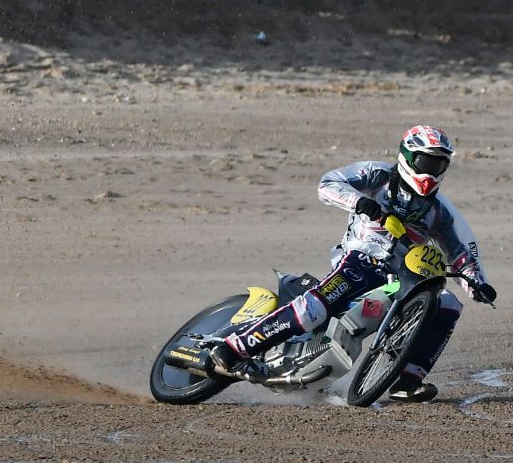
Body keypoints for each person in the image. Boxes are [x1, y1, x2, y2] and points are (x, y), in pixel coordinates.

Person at [191, 126, 494, 404]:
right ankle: (235, 347)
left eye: (438, 165)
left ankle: (407, 381)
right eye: (425, 163)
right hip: (360, 258)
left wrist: (477, 284)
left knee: (448, 304)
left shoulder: (441, 211)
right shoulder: (378, 175)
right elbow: (328, 184)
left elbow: (463, 254)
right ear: (406, 157)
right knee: (316, 308)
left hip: (400, 275)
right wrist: (357, 201)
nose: (430, 172)